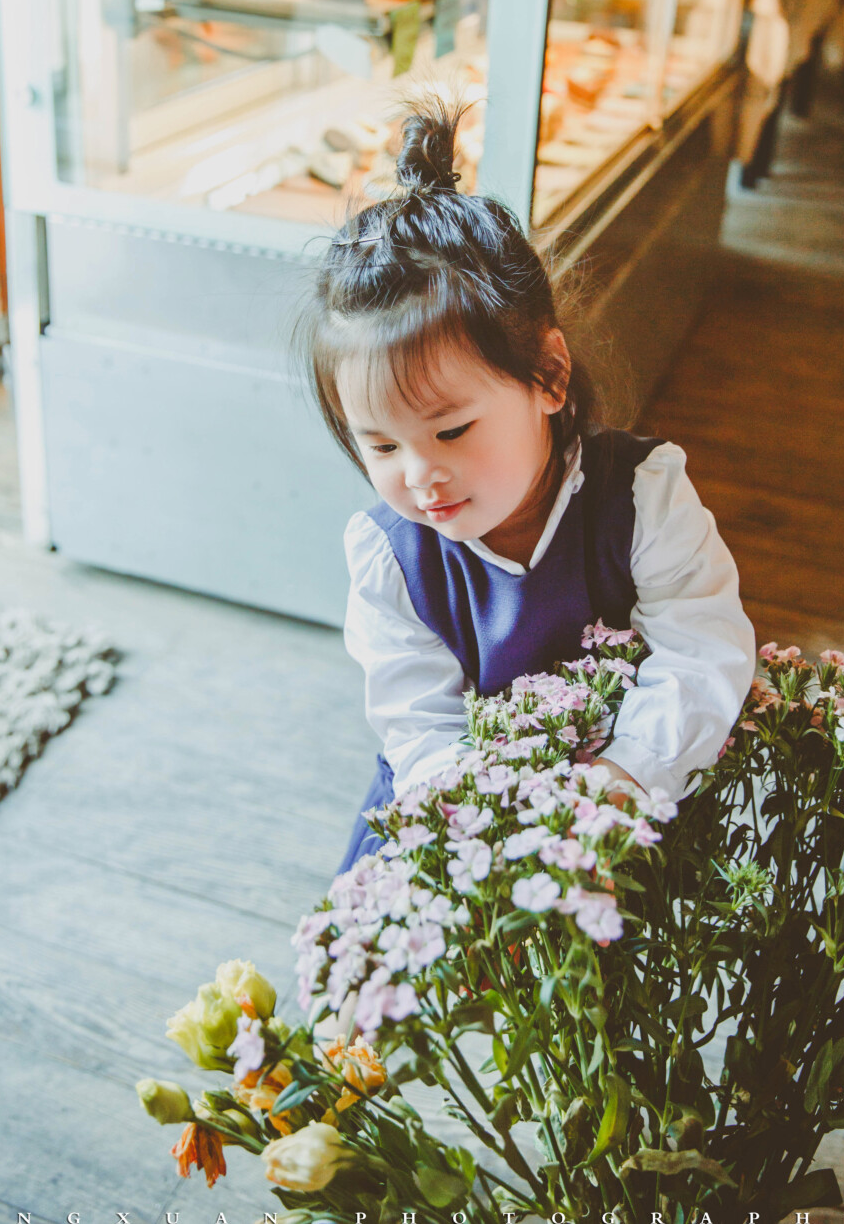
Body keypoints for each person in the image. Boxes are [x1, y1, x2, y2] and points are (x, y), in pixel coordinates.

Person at [296, 98, 756, 873]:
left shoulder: (640, 497)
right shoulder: (390, 557)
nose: (419, 475)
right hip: (463, 815)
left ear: (547, 373)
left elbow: (703, 647)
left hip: (630, 790)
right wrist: (489, 834)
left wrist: (619, 780)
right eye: (379, 445)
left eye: (450, 431)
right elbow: (422, 724)